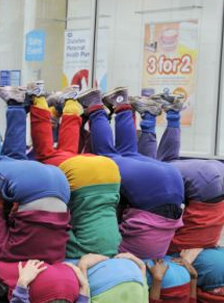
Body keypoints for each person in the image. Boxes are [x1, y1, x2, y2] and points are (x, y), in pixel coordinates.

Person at [0, 81, 71, 265]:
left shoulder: (56, 259)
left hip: (61, 186)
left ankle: (16, 102)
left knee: (14, 159)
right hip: (32, 189)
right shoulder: (11, 255)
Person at [78, 87, 184, 260]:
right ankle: (94, 104)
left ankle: (121, 101)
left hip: (174, 184)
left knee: (129, 153)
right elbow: (104, 238)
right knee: (107, 157)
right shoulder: (127, 257)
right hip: (152, 195)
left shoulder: (154, 255)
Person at [28, 84, 122, 258]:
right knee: (44, 155)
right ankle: (38, 99)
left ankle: (71, 101)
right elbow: (61, 229)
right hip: (82, 174)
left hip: (108, 170)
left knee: (68, 154)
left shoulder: (114, 248)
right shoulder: (80, 254)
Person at [134, 94, 224, 253]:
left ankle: (158, 116)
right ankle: (164, 115)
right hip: (214, 175)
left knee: (152, 169)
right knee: (162, 164)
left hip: (213, 178)